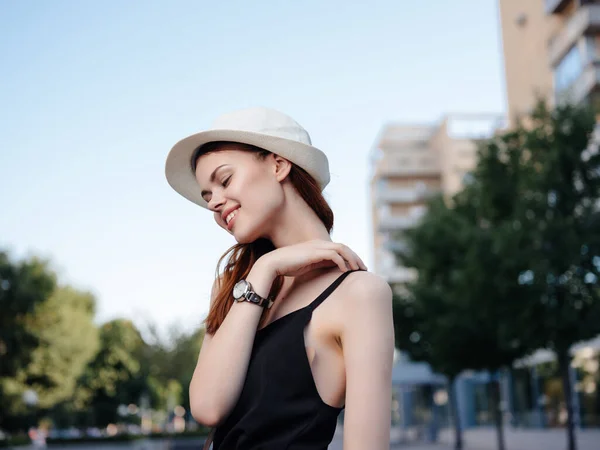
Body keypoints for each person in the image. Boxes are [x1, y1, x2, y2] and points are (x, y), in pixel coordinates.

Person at [164, 107, 394, 449]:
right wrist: (264, 270)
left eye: (224, 180)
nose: (213, 203)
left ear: (278, 165)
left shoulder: (359, 295)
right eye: (207, 195)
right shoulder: (235, 286)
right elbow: (208, 407)